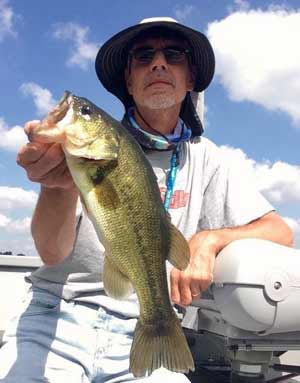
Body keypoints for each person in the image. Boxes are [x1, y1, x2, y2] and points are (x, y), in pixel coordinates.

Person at [0, 17, 293, 383]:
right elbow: (52, 254)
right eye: (143, 56)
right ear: (128, 80)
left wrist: (209, 240)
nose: (158, 63)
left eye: (173, 54)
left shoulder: (209, 158)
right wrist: (56, 188)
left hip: (145, 323)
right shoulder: (80, 154)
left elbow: (279, 231)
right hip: (55, 316)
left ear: (190, 79)